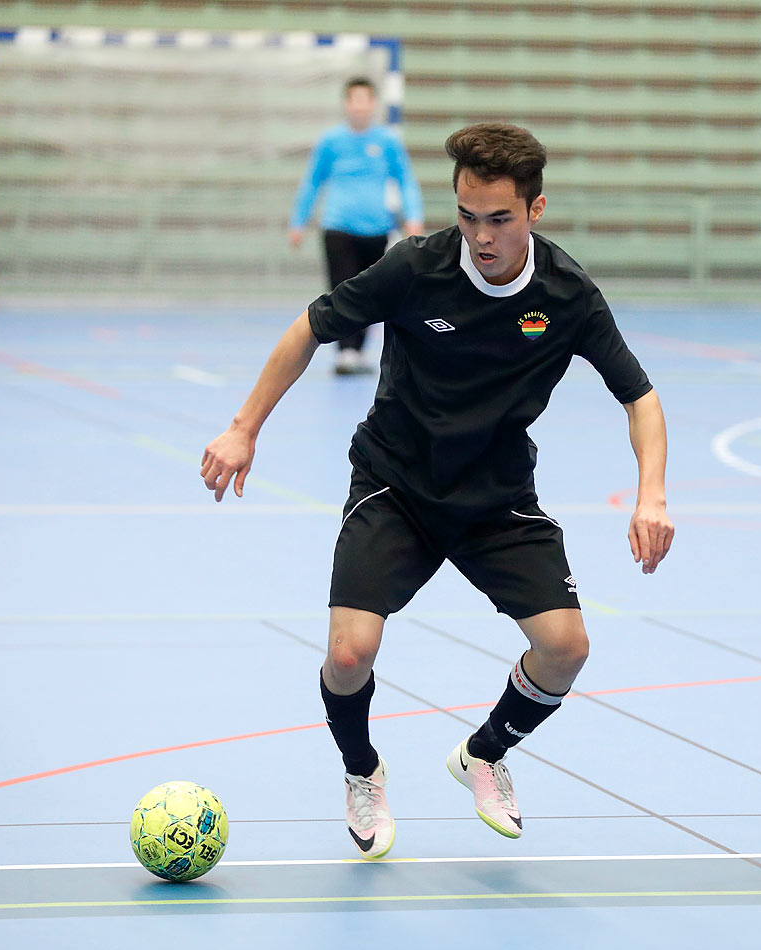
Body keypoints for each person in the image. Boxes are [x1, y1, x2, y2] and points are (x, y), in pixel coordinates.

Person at [204, 122, 674, 860]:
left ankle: (484, 754)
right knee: (349, 654)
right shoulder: (413, 269)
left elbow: (639, 396)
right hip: (395, 484)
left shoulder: (567, 293)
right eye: (466, 216)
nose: (481, 236)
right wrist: (243, 428)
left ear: (535, 211)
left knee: (566, 648)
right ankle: (363, 771)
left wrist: (653, 495)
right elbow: (311, 327)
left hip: (495, 497)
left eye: (499, 218)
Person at [288, 76, 425, 375]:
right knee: (342, 288)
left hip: (376, 230)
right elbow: (313, 182)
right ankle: (345, 350)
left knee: (371, 292)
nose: (360, 106)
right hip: (338, 227)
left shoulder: (387, 141)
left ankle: (358, 349)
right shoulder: (331, 142)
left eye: (366, 100)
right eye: (355, 100)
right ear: (347, 104)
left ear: (373, 104)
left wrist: (413, 218)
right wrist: (298, 222)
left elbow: (405, 181)